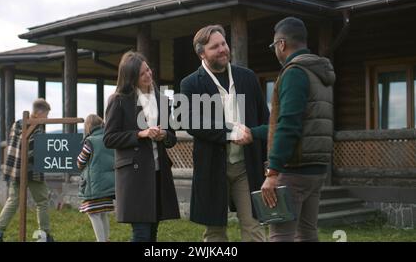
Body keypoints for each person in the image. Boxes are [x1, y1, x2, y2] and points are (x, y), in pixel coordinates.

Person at [180, 25, 269, 242]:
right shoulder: (190, 84)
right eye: (214, 47)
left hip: (246, 168)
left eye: (224, 43)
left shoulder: (247, 77)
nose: (222, 49)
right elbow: (191, 122)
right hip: (212, 168)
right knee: (214, 233)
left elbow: (266, 121)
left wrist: (253, 134)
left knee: (254, 227)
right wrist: (231, 131)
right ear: (202, 53)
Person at [261, 17, 336, 242]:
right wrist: (253, 132)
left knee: (281, 235)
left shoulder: (294, 73)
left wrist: (272, 172)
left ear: (281, 44)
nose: (275, 50)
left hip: (294, 171)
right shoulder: (319, 72)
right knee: (307, 233)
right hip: (317, 170)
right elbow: (303, 122)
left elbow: (290, 125)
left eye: (274, 45)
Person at [103, 51, 180, 242]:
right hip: (134, 177)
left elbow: (172, 137)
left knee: (152, 233)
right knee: (142, 234)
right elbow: (109, 138)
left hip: (158, 173)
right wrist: (140, 134)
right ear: (131, 78)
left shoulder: (162, 100)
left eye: (148, 70)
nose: (148, 75)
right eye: (142, 73)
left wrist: (164, 135)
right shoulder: (118, 100)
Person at [0, 98, 54, 242]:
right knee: (42, 201)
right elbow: (33, 151)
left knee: (12, 200)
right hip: (33, 170)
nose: (47, 118)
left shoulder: (17, 124)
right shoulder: (37, 128)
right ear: (38, 113)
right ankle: (45, 235)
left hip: (15, 169)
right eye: (46, 114)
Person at [77, 114, 115, 242]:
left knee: (93, 213)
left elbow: (80, 161)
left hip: (94, 185)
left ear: (88, 126)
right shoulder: (108, 138)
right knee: (103, 212)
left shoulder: (90, 141)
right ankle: (106, 239)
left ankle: (101, 240)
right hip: (108, 184)